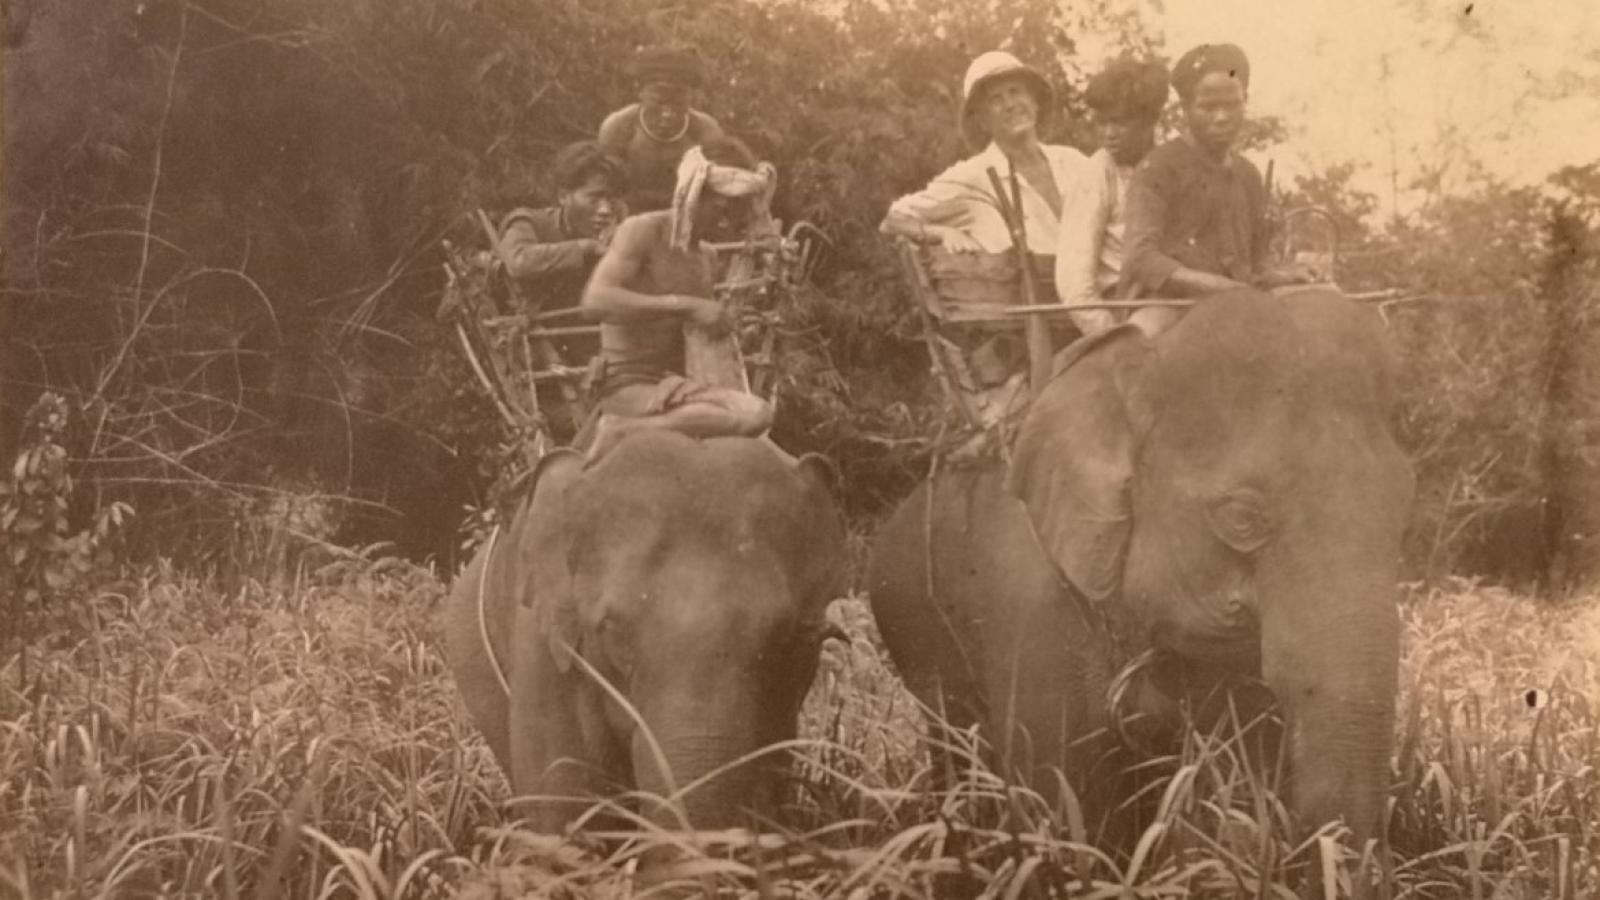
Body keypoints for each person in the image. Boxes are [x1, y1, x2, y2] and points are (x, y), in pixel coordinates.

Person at [577, 135, 774, 463]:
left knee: (756, 420)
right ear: (695, 193)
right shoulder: (643, 230)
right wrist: (688, 304)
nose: (728, 220)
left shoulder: (706, 256)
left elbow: (694, 330)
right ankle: (621, 429)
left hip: (679, 386)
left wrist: (731, 329)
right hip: (628, 385)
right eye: (722, 207)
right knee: (755, 413)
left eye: (737, 210)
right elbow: (595, 300)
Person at [1120, 43, 1313, 334]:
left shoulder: (1248, 174)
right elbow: (1141, 258)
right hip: (1172, 305)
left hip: (1242, 300)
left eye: (1232, 104)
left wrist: (1285, 275)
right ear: (1185, 108)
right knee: (1140, 347)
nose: (1222, 117)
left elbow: (1256, 261)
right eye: (1208, 107)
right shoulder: (1158, 168)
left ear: (1245, 100)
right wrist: (1220, 288)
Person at [880, 50, 1086, 261]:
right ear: (982, 121)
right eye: (996, 99)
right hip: (1030, 291)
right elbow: (894, 220)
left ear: (1034, 101)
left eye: (1015, 92)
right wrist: (945, 232)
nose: (1010, 104)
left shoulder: (1072, 162)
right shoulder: (973, 178)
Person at [1053, 57, 1170, 337]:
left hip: (1175, 299)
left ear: (1150, 120)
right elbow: (1074, 283)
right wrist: (1115, 338)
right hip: (1124, 308)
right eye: (1102, 123)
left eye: (1119, 122)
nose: (1108, 134)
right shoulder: (1096, 175)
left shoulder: (1172, 165)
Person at [496, 140, 627, 317]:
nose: (605, 209)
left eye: (611, 199)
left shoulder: (623, 228)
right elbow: (519, 261)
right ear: (563, 196)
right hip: (536, 334)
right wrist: (585, 248)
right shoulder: (530, 222)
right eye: (594, 198)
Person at [598, 46, 726, 213]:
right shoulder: (619, 128)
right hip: (628, 220)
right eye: (658, 101)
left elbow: (716, 193)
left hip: (687, 219)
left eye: (678, 103)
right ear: (640, 92)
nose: (667, 114)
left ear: (691, 98)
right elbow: (606, 190)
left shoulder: (706, 132)